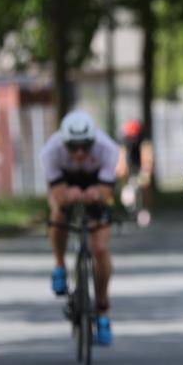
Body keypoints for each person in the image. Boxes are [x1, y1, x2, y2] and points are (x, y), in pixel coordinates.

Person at [40, 110, 121, 345]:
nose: (79, 153)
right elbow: (57, 196)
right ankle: (59, 265)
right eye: (73, 147)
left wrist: (96, 194)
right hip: (66, 183)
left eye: (85, 147)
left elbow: (106, 193)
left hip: (96, 184)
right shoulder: (50, 151)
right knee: (58, 214)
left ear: (93, 142)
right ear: (64, 143)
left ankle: (103, 308)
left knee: (100, 249)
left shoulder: (108, 149)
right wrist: (67, 196)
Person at [116, 119, 154, 227]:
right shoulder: (124, 140)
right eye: (130, 137)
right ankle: (130, 205)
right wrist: (122, 173)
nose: (132, 139)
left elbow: (147, 156)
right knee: (124, 179)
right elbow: (122, 159)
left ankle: (145, 207)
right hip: (130, 160)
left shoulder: (144, 138)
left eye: (134, 137)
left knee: (145, 182)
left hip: (140, 160)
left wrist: (145, 172)